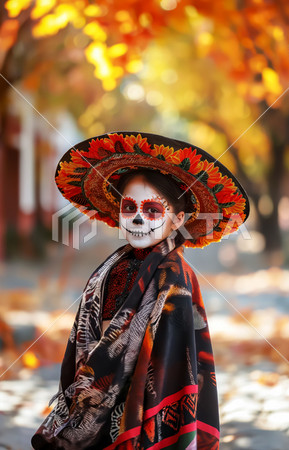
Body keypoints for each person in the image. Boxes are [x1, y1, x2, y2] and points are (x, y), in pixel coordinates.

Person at [31, 131, 249, 449]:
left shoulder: (176, 278)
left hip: (143, 405)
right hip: (97, 396)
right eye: (129, 207)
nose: (137, 218)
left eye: (152, 210)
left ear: (178, 220)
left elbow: (175, 358)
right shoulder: (109, 270)